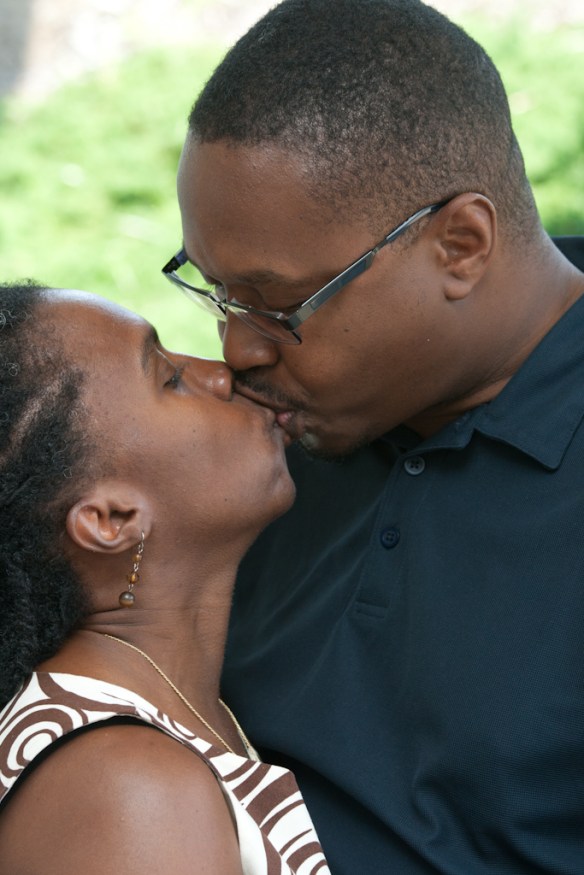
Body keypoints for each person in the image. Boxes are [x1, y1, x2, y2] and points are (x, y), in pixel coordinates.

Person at [161, 0, 584, 872]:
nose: (237, 351)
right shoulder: (265, 436)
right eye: (217, 294)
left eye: (279, 305)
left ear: (461, 245)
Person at [0, 281, 331, 875]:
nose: (220, 374)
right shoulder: (128, 786)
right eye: (170, 379)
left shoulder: (155, 721)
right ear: (111, 520)